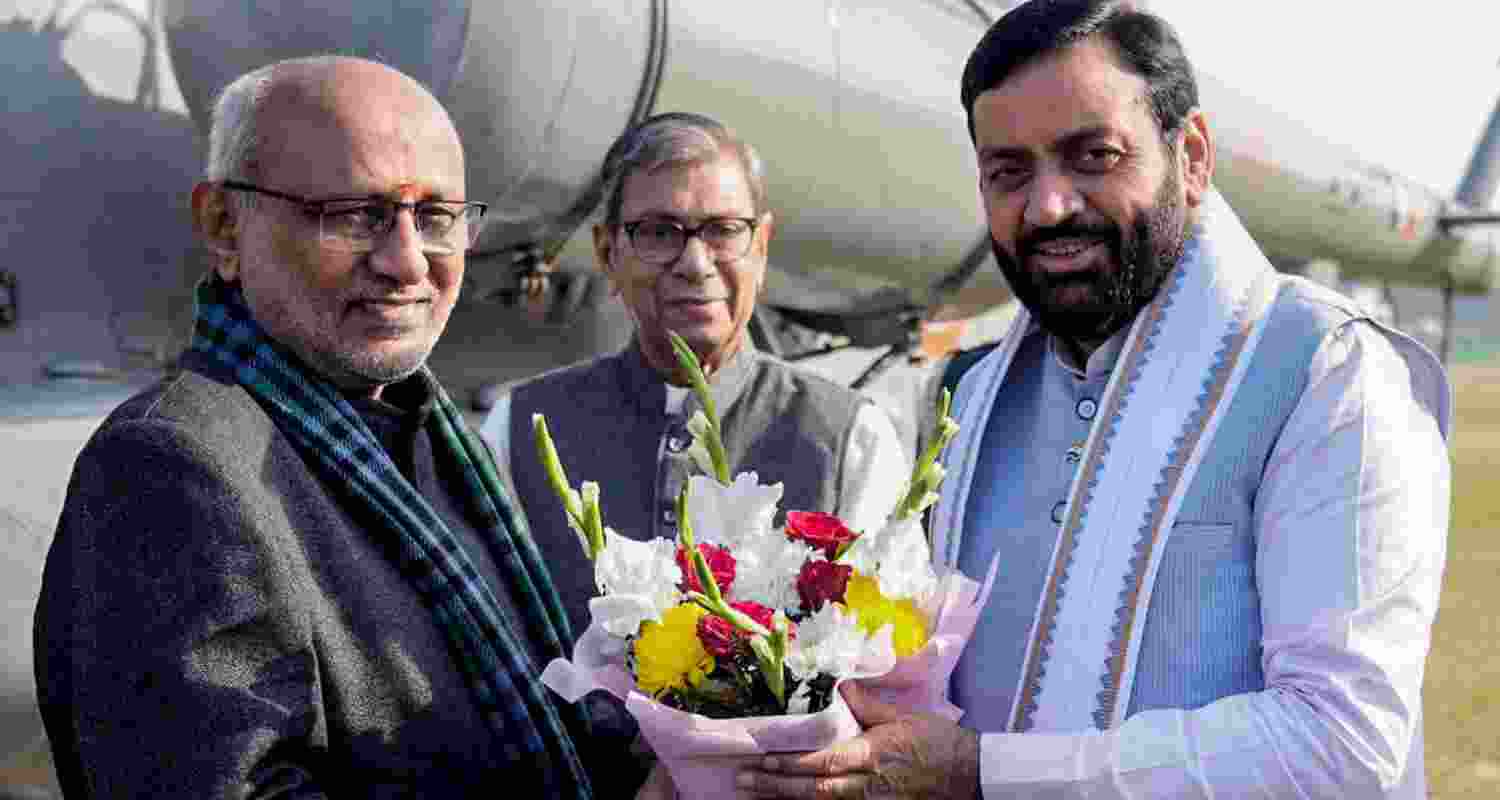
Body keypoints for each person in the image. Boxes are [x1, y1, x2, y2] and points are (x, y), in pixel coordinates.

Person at [738, 1, 1451, 797]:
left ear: (1194, 156)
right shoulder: (974, 395)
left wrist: (984, 774)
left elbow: (1342, 745)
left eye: (1094, 156)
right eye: (1010, 171)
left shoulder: (1326, 373)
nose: (1048, 207)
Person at [33, 56, 631, 798]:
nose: (407, 261)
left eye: (437, 217)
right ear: (224, 225)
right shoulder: (172, 466)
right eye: (355, 215)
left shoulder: (431, 440)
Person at [480, 111, 910, 643]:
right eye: (660, 232)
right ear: (608, 253)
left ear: (762, 244)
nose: (695, 262)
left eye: (724, 230)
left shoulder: (851, 439)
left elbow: (883, 660)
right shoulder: (518, 430)